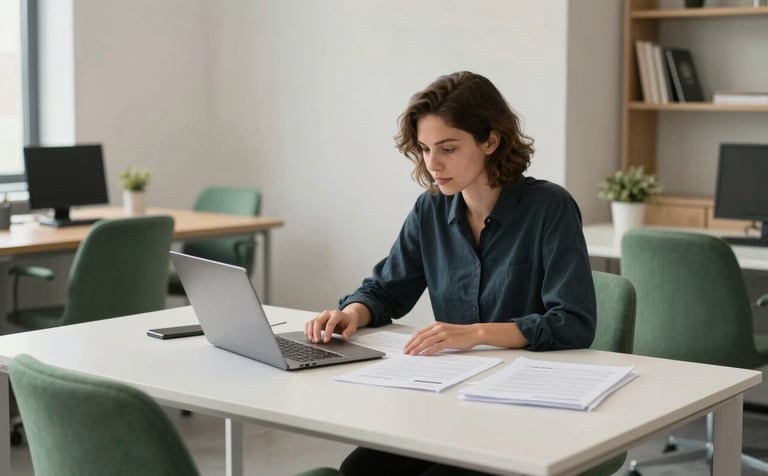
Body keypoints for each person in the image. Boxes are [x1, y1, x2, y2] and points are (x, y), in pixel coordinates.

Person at [305, 71, 596, 476]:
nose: (433, 164)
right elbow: (386, 290)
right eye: (425, 149)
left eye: (448, 148)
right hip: (450, 401)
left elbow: (573, 323)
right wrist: (352, 313)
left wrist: (476, 332)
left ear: (490, 141)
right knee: (359, 470)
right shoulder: (431, 210)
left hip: (524, 411)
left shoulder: (550, 208)